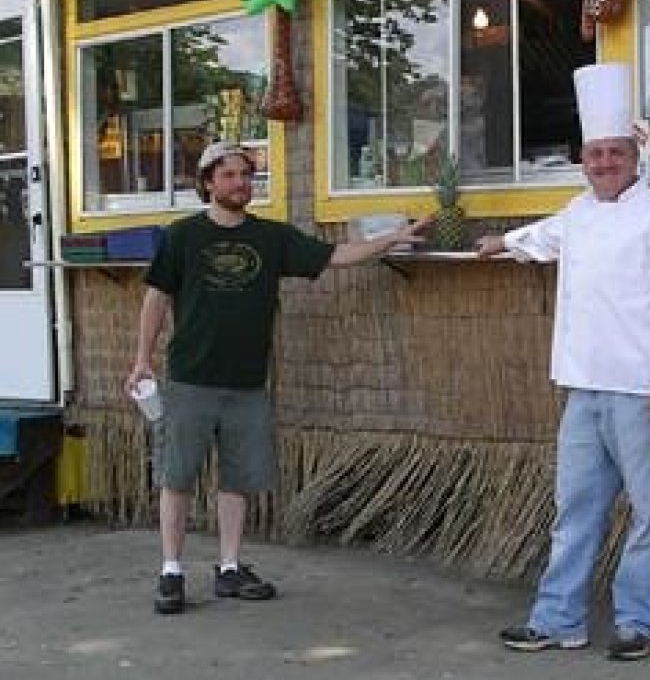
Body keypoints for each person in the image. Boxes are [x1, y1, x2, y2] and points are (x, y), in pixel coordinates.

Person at [126, 140, 428, 616]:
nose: (240, 183)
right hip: (189, 378)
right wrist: (142, 359)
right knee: (177, 476)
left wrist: (390, 240)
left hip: (248, 382)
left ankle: (229, 567)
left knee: (237, 479)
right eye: (228, 175)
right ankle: (171, 572)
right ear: (207, 183)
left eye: (245, 175)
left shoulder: (271, 237)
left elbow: (336, 256)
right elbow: (156, 298)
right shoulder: (181, 236)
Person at [477, 63, 650, 661]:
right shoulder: (578, 211)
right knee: (574, 511)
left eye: (614, 152)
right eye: (594, 154)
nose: (603, 162)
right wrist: (503, 242)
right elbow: (545, 236)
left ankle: (637, 622)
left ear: (635, 155)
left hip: (641, 389)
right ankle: (558, 619)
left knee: (649, 515)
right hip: (583, 389)